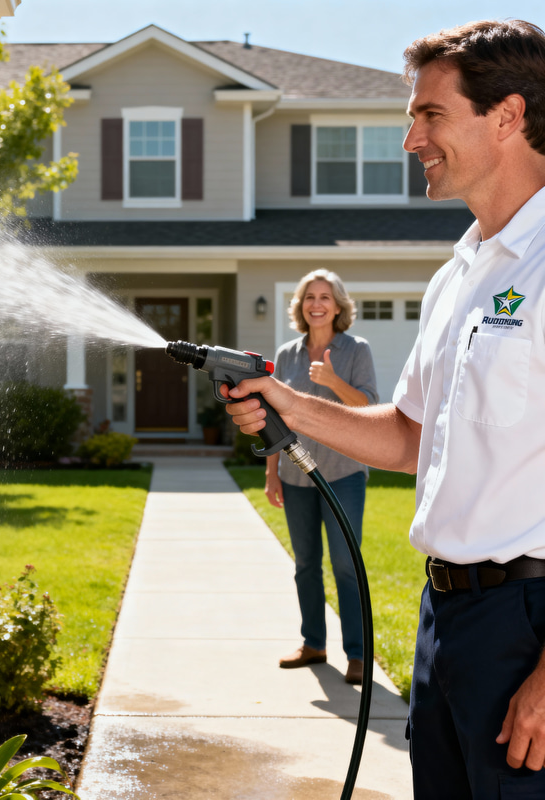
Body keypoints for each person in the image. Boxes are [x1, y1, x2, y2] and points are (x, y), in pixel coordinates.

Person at [222, 19, 545, 799]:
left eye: (430, 115)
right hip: (447, 623)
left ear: (506, 116)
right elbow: (409, 438)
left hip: (531, 623)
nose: (411, 140)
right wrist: (289, 403)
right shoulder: (458, 275)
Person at [267, 269, 377, 686]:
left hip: (343, 474)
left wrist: (332, 381)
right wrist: (273, 473)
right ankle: (313, 643)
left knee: (347, 566)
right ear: (300, 305)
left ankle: (359, 654)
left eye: (325, 297)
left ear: (339, 305)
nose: (317, 303)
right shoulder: (288, 353)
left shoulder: (355, 350)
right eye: (309, 297)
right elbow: (273, 419)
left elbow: (368, 405)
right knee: (305, 565)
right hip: (297, 479)